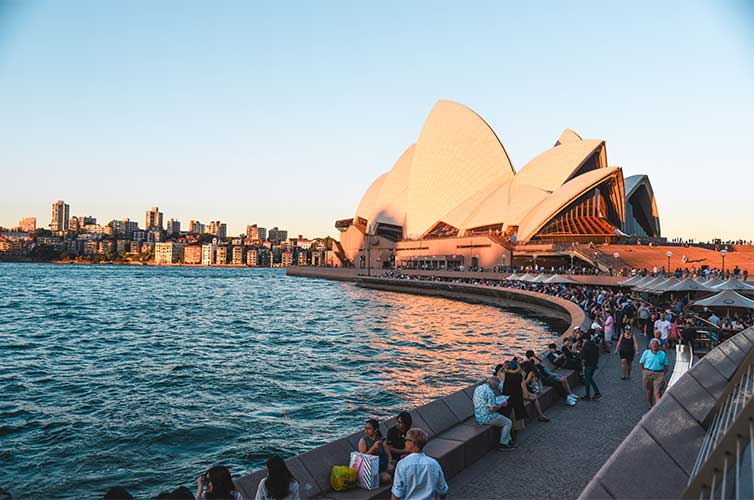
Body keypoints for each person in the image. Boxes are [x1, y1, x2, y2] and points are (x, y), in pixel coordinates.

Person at [390, 428, 448, 500]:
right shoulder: (434, 464)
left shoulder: (403, 464)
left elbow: (397, 493)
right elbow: (443, 490)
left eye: (406, 440)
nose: (404, 442)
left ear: (413, 444)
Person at [472, 376, 516, 450]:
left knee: (503, 419)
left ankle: (509, 440)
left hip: (478, 415)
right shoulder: (490, 393)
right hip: (486, 417)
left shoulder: (479, 388)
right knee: (508, 422)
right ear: (494, 384)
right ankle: (503, 444)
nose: (496, 388)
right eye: (497, 386)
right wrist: (502, 404)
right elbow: (492, 409)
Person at [640, 338, 670, 409]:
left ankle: (657, 408)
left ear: (659, 346)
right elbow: (641, 363)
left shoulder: (662, 354)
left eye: (656, 345)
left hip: (659, 374)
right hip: (647, 373)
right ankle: (650, 405)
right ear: (650, 345)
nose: (655, 346)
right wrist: (643, 371)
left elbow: (666, 365)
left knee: (657, 391)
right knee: (649, 391)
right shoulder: (646, 353)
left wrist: (663, 374)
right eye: (653, 344)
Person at [581, 333, 602, 400]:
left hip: (588, 365)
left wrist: (583, 366)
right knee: (590, 379)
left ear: (584, 339)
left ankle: (588, 395)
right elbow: (598, 355)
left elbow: (584, 358)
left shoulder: (585, 347)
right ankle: (597, 393)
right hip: (594, 365)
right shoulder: (594, 345)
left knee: (587, 380)